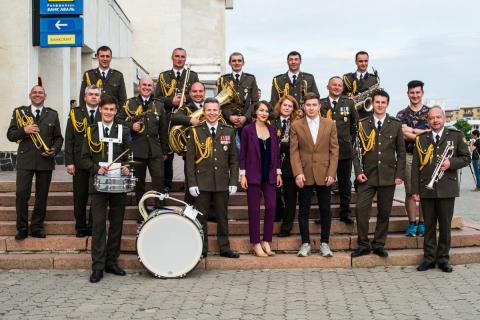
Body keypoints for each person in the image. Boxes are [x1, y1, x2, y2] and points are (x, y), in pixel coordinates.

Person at [413, 106, 470, 273]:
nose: (435, 121)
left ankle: (444, 259)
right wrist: (415, 190)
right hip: (426, 187)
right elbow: (415, 165)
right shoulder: (421, 139)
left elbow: (466, 158)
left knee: (445, 226)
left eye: (438, 117)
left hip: (447, 188)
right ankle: (429, 258)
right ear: (428, 121)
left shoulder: (456, 135)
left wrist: (450, 163)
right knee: (429, 225)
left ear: (444, 119)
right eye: (431, 118)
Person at [80, 95, 131, 283]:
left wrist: (126, 166)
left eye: (112, 109)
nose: (109, 112)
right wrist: (96, 168)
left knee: (117, 224)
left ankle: (111, 262)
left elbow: (129, 154)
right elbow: (83, 158)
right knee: (99, 224)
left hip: (119, 184)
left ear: (116, 111)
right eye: (106, 109)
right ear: (100, 109)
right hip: (99, 184)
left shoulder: (123, 131)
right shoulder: (92, 131)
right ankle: (98, 266)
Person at [351, 90, 406, 258]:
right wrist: (358, 171)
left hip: (388, 176)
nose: (380, 105)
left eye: (383, 102)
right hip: (366, 176)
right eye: (377, 102)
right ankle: (363, 244)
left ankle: (379, 244)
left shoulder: (395, 124)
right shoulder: (363, 123)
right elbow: (356, 151)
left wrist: (399, 174)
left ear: (387, 104)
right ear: (372, 103)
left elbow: (401, 152)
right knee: (361, 210)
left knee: (384, 212)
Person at [7, 85, 64, 240]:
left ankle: (37, 227)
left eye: (40, 93)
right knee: (21, 194)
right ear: (30, 95)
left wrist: (54, 149)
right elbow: (11, 135)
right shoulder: (20, 112)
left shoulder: (52, 114)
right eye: (35, 92)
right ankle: (22, 228)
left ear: (45, 96)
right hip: (25, 159)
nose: (37, 95)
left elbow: (59, 137)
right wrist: (24, 130)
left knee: (42, 196)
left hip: (45, 160)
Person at [185, 97, 240, 259]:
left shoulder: (228, 130)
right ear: (204, 112)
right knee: (201, 218)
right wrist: (191, 183)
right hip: (202, 183)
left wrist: (233, 181)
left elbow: (233, 160)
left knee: (222, 217)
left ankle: (225, 248)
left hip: (222, 182)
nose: (212, 113)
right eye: (208, 110)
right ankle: (202, 249)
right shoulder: (195, 131)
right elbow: (190, 161)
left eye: (215, 110)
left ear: (220, 112)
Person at [290, 92, 339, 257]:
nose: (311, 108)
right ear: (304, 107)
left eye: (314, 105)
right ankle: (305, 243)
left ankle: (325, 243)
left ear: (319, 106)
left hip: (325, 174)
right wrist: (297, 173)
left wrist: (332, 172)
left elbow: (334, 150)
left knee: (326, 210)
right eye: (308, 105)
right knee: (303, 210)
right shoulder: (296, 125)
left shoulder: (330, 124)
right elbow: (294, 151)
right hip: (304, 174)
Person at [118, 76, 168, 211]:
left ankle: (160, 210)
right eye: (144, 85)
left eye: (149, 85)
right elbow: (118, 121)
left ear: (153, 88)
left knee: (159, 181)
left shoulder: (159, 104)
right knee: (139, 184)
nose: (146, 87)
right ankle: (142, 212)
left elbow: (163, 129)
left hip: (155, 149)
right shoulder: (130, 103)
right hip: (137, 149)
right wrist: (130, 126)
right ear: (139, 87)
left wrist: (164, 150)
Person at [154, 48, 200, 193]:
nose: (180, 59)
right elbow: (157, 98)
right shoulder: (163, 76)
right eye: (177, 56)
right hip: (168, 119)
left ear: (185, 59)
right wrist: (170, 101)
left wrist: (187, 98)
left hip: (186, 118)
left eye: (182, 57)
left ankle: (191, 185)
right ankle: (167, 186)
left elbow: (197, 93)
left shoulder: (192, 75)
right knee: (167, 154)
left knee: (189, 153)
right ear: (172, 57)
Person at [240, 101, 282, 256]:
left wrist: (278, 173)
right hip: (252, 175)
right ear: (255, 112)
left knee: (271, 207)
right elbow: (242, 154)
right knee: (254, 210)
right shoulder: (247, 130)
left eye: (266, 111)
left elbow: (277, 154)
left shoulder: (272, 129)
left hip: (270, 175)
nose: (264, 113)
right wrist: (242, 174)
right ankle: (256, 243)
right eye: (261, 110)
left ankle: (266, 241)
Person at [320, 76, 359, 224]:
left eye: (339, 85)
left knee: (345, 183)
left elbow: (355, 126)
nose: (337, 87)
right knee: (324, 184)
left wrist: (349, 141)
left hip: (344, 150)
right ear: (328, 87)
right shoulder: (321, 104)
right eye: (334, 85)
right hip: (324, 150)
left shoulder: (348, 103)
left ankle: (345, 212)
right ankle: (324, 214)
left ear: (342, 88)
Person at [65, 85, 102, 237]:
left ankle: (93, 226)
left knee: (97, 196)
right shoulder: (75, 113)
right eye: (91, 94)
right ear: (85, 97)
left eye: (96, 95)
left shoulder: (104, 111)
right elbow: (69, 138)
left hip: (98, 163)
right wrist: (69, 162)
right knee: (80, 196)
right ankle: (80, 226)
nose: (93, 97)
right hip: (79, 162)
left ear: (100, 98)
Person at [396, 80, 431, 237]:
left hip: (428, 158)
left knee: (425, 192)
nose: (415, 95)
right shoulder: (401, 114)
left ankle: (423, 223)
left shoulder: (430, 113)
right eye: (412, 92)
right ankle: (412, 223)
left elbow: (433, 133)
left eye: (418, 92)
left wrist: (412, 130)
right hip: (409, 157)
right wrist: (422, 132)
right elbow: (403, 134)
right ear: (408, 94)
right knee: (410, 192)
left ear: (422, 93)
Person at [170, 81, 206, 205]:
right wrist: (191, 120)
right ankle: (189, 212)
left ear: (204, 92)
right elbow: (174, 117)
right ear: (190, 93)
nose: (198, 94)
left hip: (208, 154)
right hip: (191, 153)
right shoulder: (186, 108)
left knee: (207, 184)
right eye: (195, 91)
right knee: (191, 184)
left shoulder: (209, 107)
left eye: (200, 91)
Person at [271, 95, 300, 236]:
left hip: (290, 165)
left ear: (293, 109)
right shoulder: (271, 122)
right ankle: (279, 213)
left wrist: (281, 145)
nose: (287, 108)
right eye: (285, 105)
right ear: (280, 106)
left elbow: (296, 145)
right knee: (275, 195)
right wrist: (282, 144)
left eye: (290, 106)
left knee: (290, 197)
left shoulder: (297, 123)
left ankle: (286, 227)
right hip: (273, 164)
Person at [217, 52, 259, 128]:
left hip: (246, 122)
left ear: (243, 63)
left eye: (239, 61)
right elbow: (220, 102)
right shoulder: (223, 79)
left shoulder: (251, 79)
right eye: (234, 61)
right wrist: (229, 116)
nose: (237, 63)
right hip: (227, 122)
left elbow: (255, 102)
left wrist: (245, 117)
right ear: (230, 63)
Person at [342, 51, 379, 119]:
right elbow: (340, 95)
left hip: (367, 116)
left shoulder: (374, 79)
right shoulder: (347, 78)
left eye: (366, 61)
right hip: (350, 114)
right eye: (360, 61)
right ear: (356, 62)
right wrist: (349, 99)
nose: (363, 63)